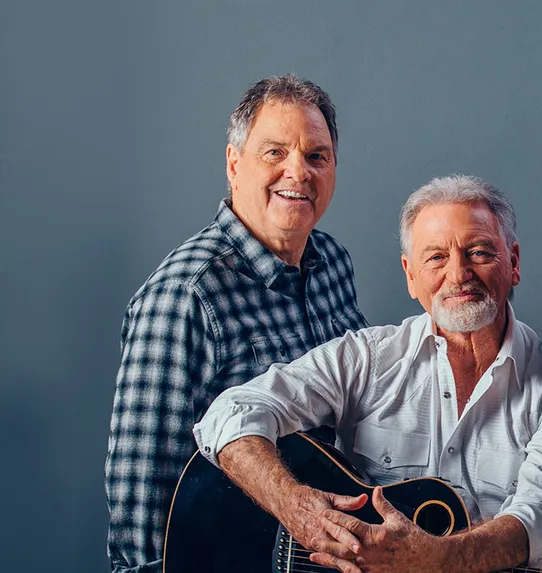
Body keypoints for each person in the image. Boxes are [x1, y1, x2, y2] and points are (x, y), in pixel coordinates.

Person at [192, 175, 542, 573]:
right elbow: (232, 410)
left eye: (478, 252)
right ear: (410, 276)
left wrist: (435, 561)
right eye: (436, 257)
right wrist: (295, 507)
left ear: (514, 263)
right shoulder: (369, 357)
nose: (458, 275)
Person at [104, 75, 367, 572]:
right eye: (274, 153)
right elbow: (140, 502)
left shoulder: (333, 263)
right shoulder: (185, 295)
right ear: (233, 165)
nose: (299, 171)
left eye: (317, 156)